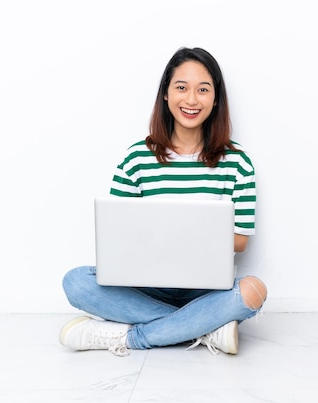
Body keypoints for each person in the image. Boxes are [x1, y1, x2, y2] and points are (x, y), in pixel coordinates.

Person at [59, 47, 268, 356]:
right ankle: (205, 327)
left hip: (205, 288)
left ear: (215, 98)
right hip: (144, 284)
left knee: (253, 291)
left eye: (203, 90)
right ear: (166, 95)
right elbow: (115, 234)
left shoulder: (237, 162)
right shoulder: (137, 158)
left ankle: (130, 338)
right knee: (75, 282)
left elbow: (239, 241)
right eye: (181, 87)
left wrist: (180, 236)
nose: (192, 100)